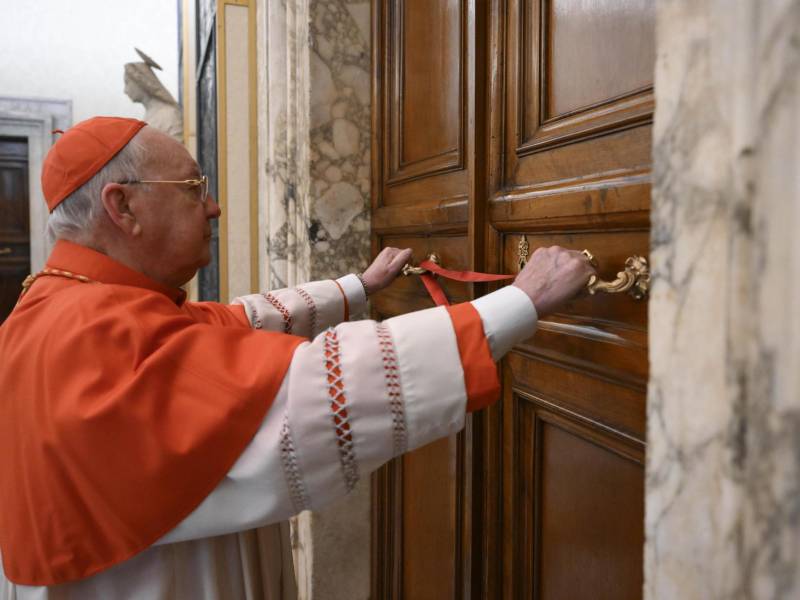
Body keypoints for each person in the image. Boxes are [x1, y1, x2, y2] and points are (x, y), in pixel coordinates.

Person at [0, 117, 595, 599]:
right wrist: (519, 303)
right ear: (122, 206)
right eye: (193, 189)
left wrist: (357, 287)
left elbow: (233, 321)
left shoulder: (72, 302)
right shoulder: (90, 334)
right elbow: (302, 393)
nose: (213, 208)